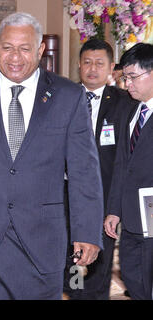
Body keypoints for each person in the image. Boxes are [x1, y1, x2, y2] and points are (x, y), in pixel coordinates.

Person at [0, 12, 103, 300]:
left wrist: (87, 231)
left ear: (39, 50)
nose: (15, 57)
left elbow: (83, 170)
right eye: (8, 47)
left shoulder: (67, 96)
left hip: (41, 242)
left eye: (25, 49)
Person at [63, 39, 137, 300]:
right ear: (79, 65)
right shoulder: (63, 96)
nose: (92, 69)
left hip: (104, 197)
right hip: (65, 195)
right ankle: (75, 293)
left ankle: (93, 296)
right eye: (87, 63)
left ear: (111, 68)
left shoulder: (124, 101)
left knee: (99, 261)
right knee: (71, 258)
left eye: (99, 63)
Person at [105, 43, 153, 300]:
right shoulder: (131, 110)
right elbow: (122, 165)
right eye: (125, 78)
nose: (128, 84)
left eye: (133, 77)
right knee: (133, 277)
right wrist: (114, 210)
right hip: (132, 217)